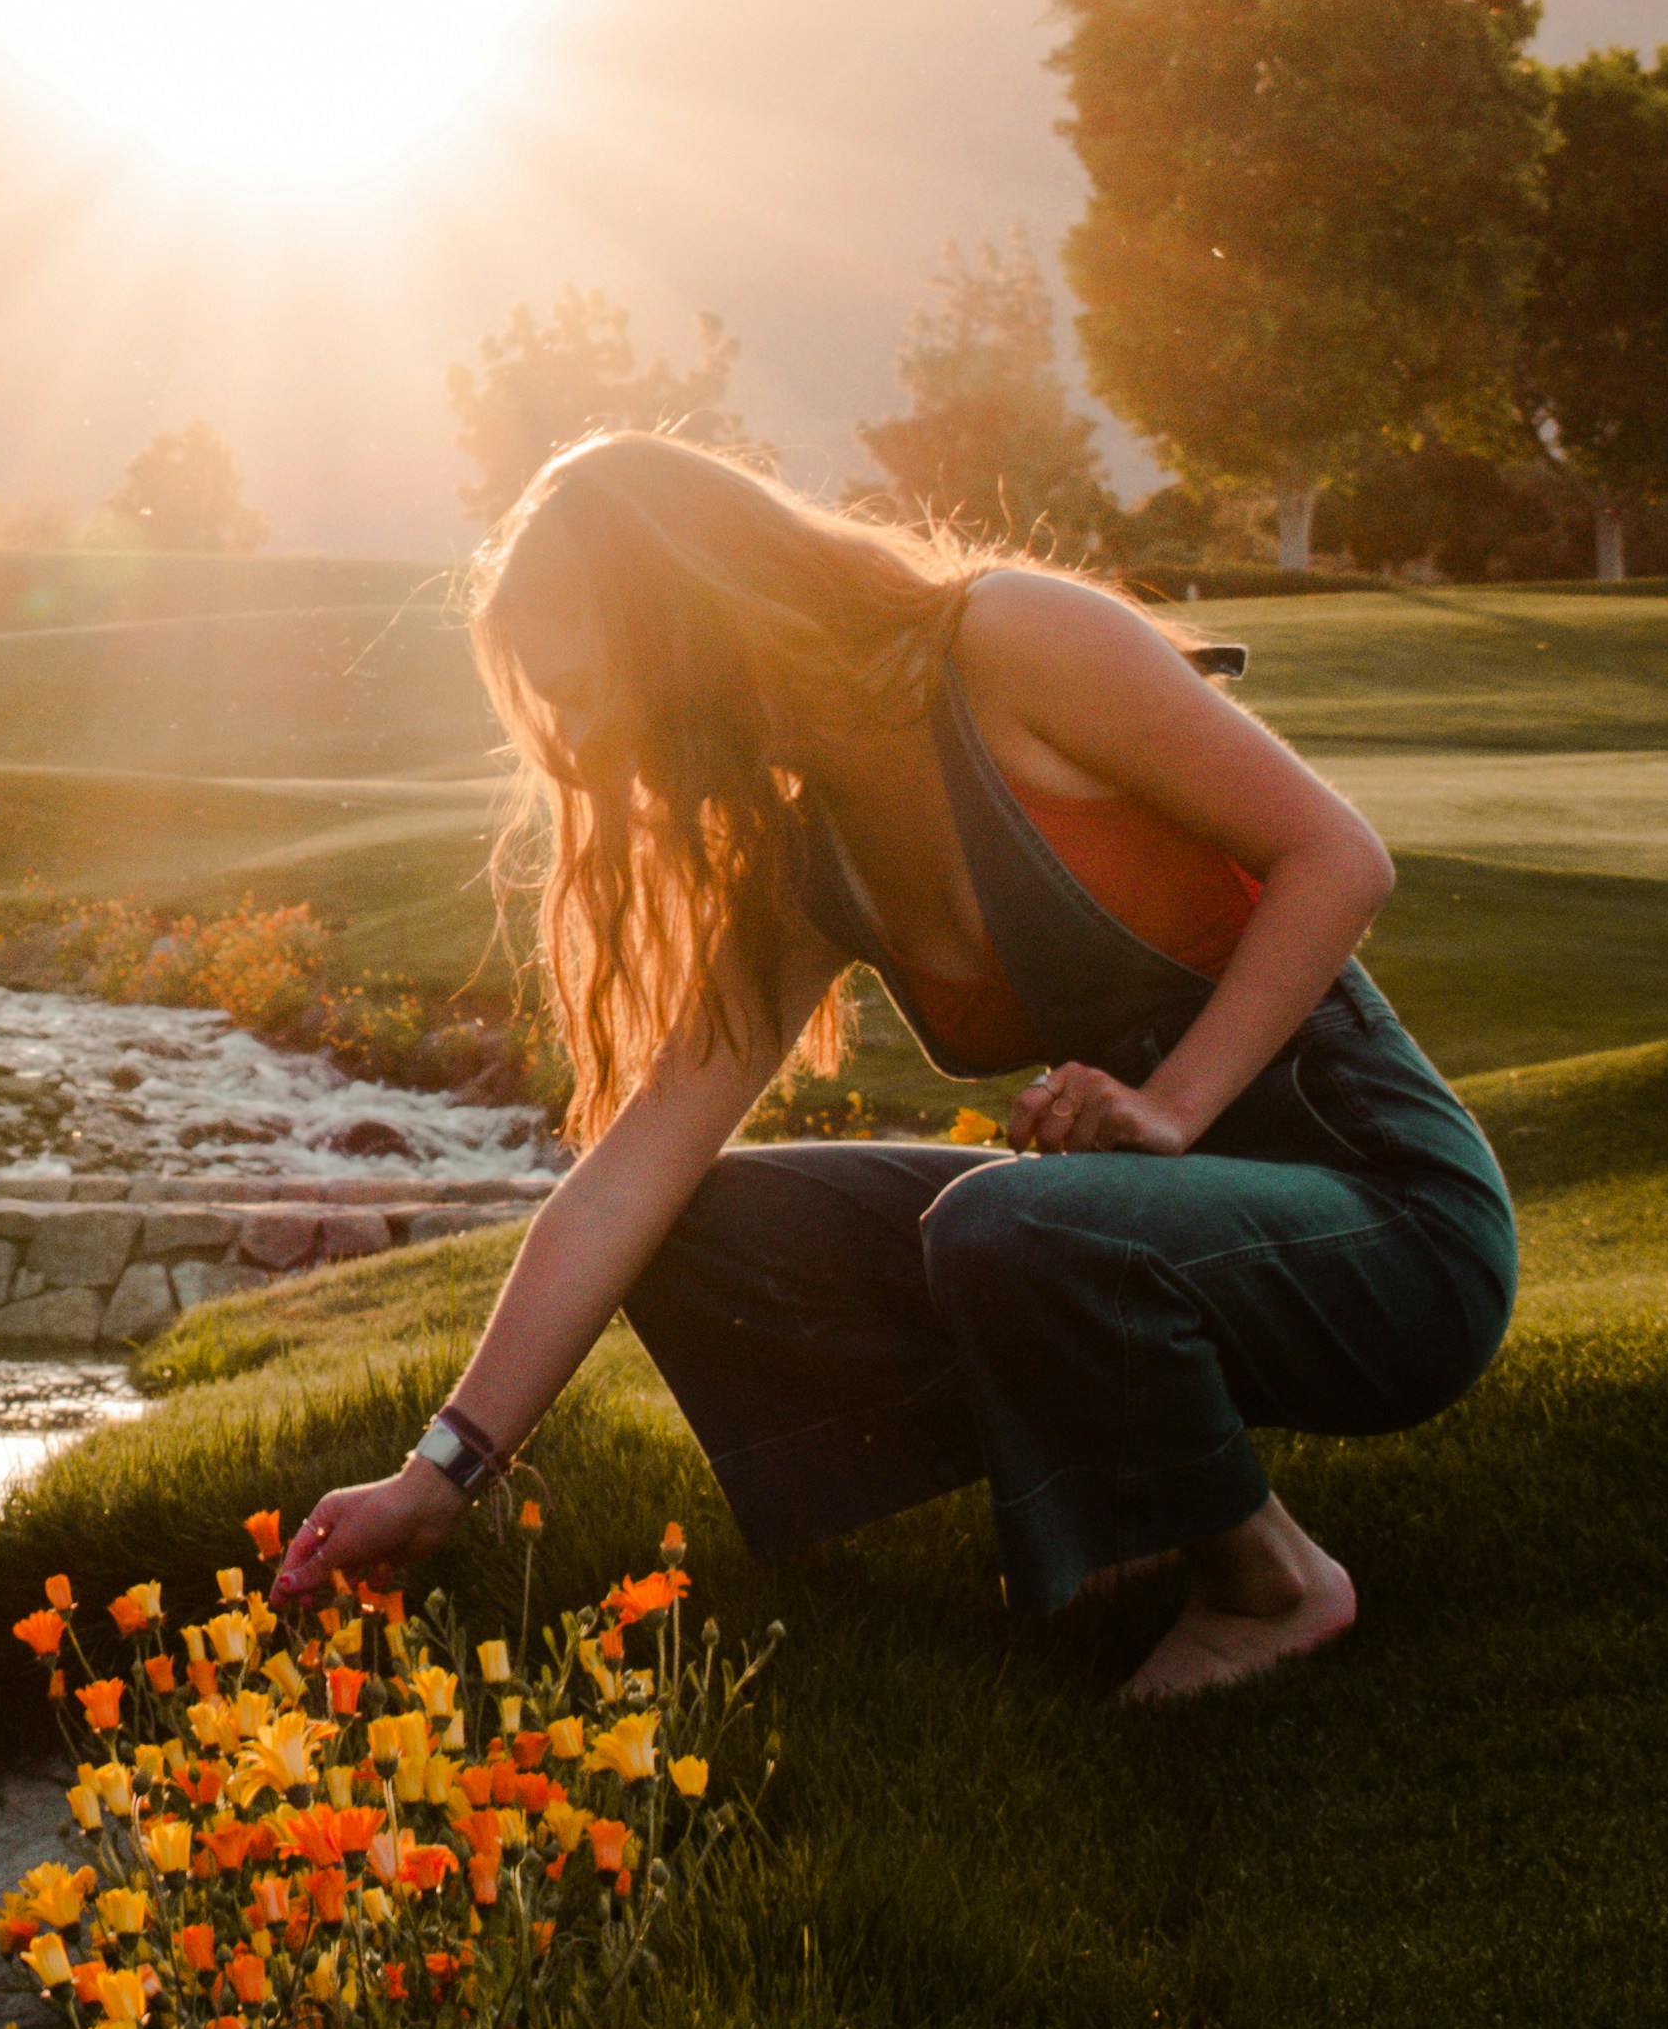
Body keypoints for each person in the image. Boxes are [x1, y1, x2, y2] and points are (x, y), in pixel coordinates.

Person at [275, 437, 1515, 1696]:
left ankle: (1271, 1584)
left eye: (591, 688)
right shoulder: (804, 846)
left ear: (684, 620)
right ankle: (1123, 1510)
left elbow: (1337, 857)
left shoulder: (1007, 643)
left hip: (1386, 1225)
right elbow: (623, 1178)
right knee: (698, 1223)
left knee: (1005, 1224)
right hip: (1152, 1234)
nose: (585, 746)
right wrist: (435, 1476)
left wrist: (1170, 1105)